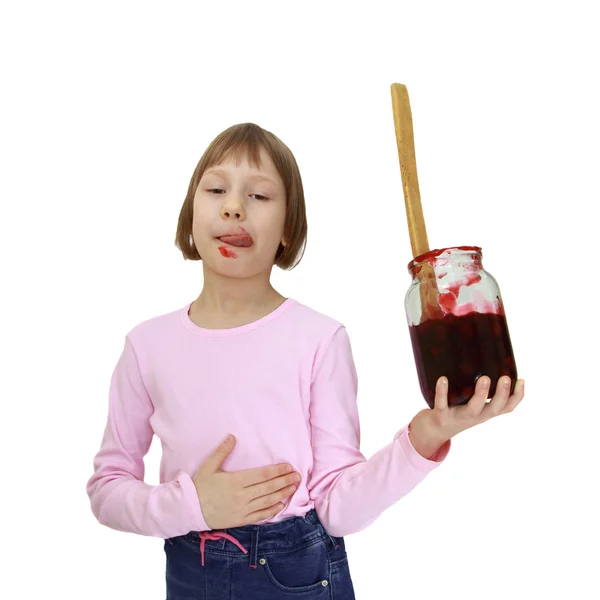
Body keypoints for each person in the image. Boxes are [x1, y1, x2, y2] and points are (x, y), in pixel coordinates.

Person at [86, 122, 525, 599]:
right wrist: (192, 506)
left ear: (288, 229)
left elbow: (339, 509)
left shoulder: (320, 339)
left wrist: (425, 438)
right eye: (216, 189)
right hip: (194, 575)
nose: (233, 205)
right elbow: (107, 490)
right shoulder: (147, 345)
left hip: (300, 576)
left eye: (259, 196)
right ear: (190, 212)